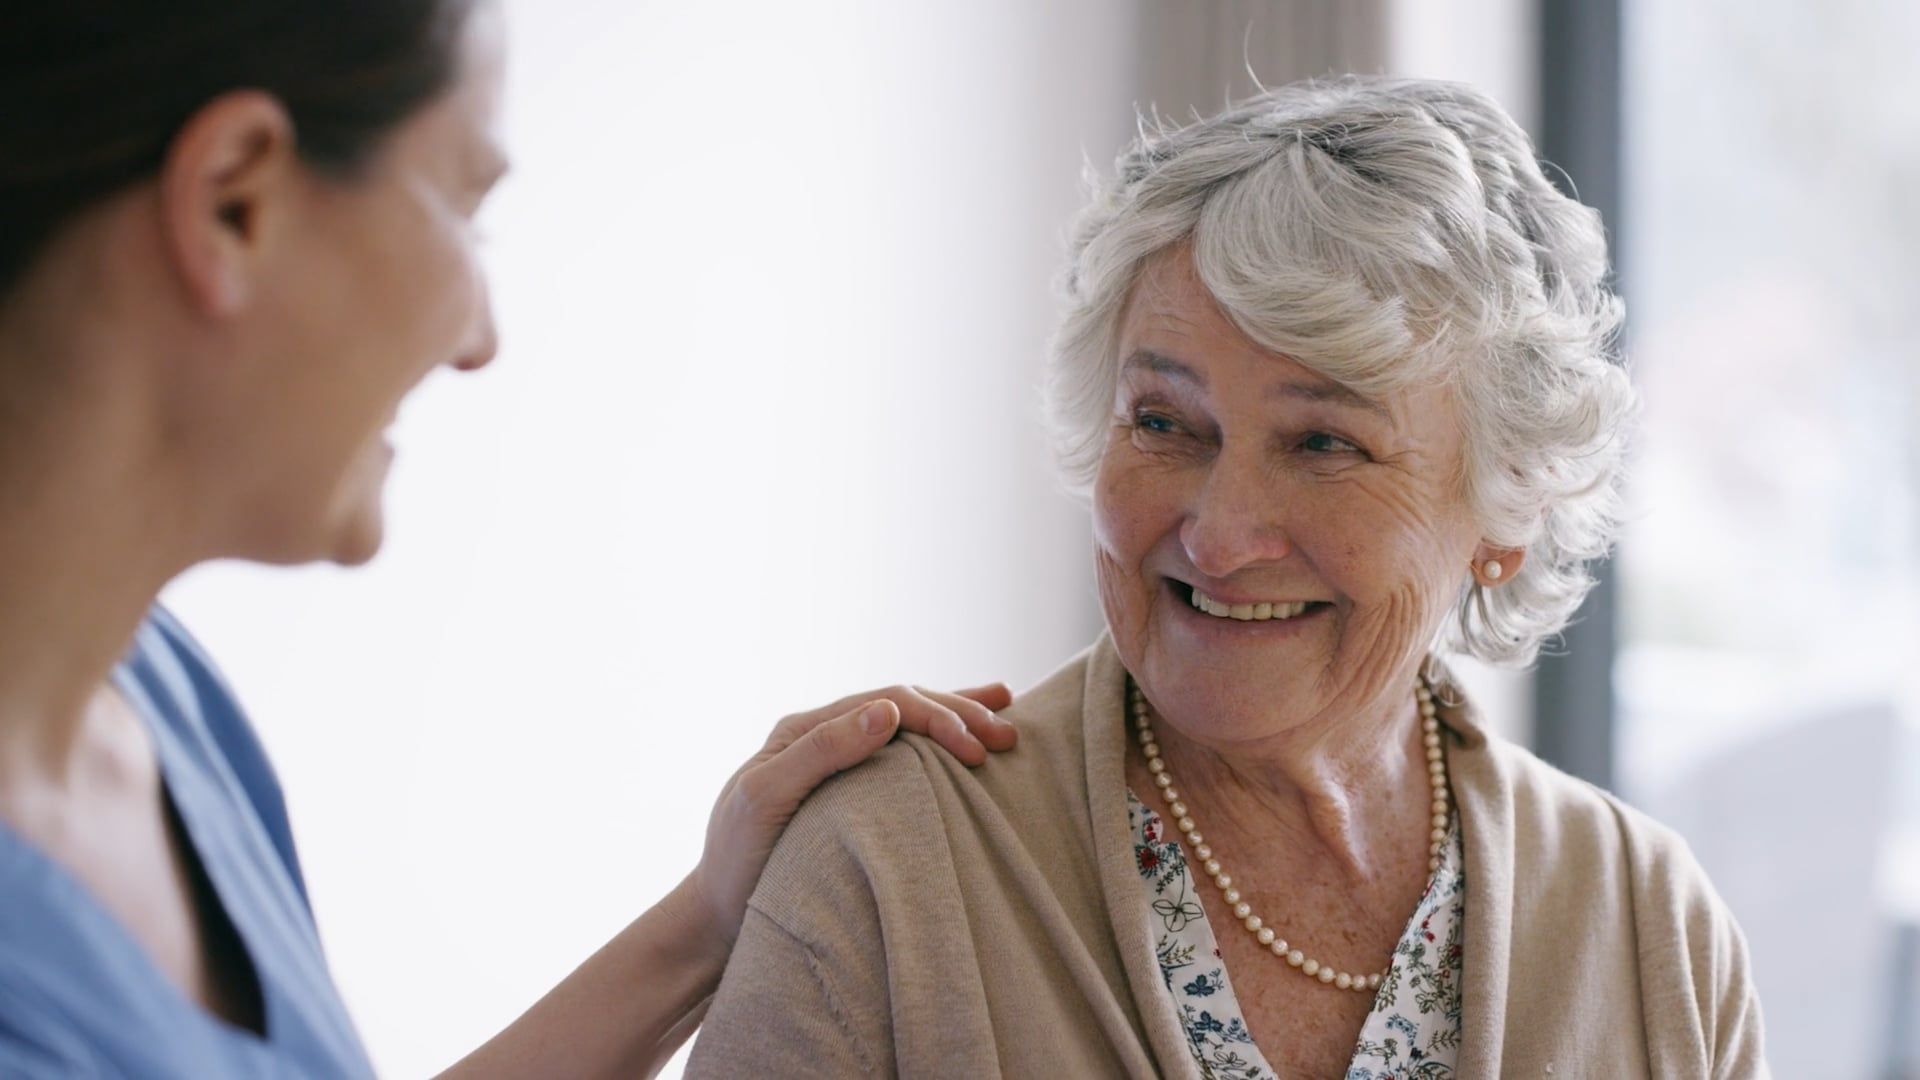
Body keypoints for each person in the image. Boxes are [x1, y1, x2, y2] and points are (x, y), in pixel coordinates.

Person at [0, 2, 1019, 1076]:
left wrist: (708, 921)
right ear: (235, 201)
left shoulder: (160, 705)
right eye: (464, 207)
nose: (479, 339)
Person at [686, 77, 1770, 1078]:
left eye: (1323, 444)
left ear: (1508, 512)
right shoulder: (884, 870)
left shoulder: (1650, 927)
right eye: (1164, 422)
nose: (1218, 536)